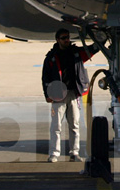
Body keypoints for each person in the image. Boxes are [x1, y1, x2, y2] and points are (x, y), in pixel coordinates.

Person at [42, 28, 98, 163]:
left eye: (67, 37)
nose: (67, 40)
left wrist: (100, 39)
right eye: (63, 38)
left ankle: (74, 152)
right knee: (56, 126)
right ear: (57, 40)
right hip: (57, 96)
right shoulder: (51, 57)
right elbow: (45, 78)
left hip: (73, 93)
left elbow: (92, 50)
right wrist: (47, 95)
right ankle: (54, 153)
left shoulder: (76, 53)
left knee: (74, 125)